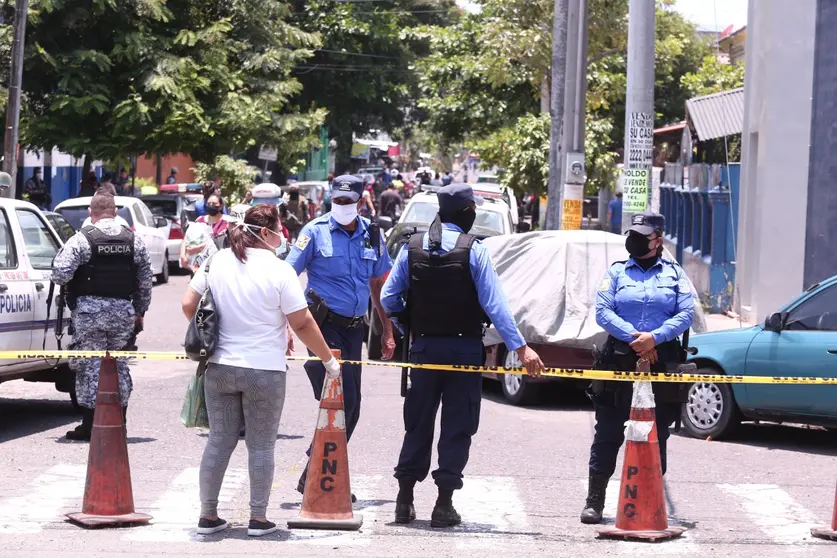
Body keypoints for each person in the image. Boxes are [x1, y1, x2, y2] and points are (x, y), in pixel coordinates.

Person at [380, 184, 545, 528]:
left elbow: (389, 298)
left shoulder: (412, 247)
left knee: (417, 425)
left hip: (423, 350)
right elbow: (495, 306)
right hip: (463, 352)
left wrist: (406, 323)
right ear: (466, 211)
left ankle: (404, 500)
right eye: (473, 207)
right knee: (457, 427)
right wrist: (521, 347)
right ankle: (443, 505)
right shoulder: (475, 251)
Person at [182, 204, 342, 537]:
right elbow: (301, 321)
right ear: (266, 232)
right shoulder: (280, 270)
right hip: (264, 371)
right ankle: (257, 519)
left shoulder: (217, 260)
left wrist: (212, 333)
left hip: (220, 367)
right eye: (279, 230)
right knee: (262, 446)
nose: (282, 237)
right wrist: (328, 359)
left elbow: (188, 304)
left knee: (218, 442)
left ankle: (208, 516)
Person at [581, 212, 694, 525]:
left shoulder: (675, 274)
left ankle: (650, 499)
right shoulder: (616, 272)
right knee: (607, 433)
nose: (635, 239)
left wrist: (655, 338)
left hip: (661, 365)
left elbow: (686, 314)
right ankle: (595, 500)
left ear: (658, 239)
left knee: (657, 435)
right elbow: (603, 312)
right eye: (633, 233)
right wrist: (637, 339)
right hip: (619, 362)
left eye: (643, 235)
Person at [286, 175, 395, 500]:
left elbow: (378, 284)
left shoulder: (372, 234)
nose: (343, 207)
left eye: (349, 202)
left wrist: (386, 330)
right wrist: (286, 325)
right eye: (338, 202)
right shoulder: (314, 231)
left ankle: (314, 472)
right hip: (323, 326)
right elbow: (286, 276)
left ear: (361, 201)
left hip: (354, 329)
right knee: (341, 402)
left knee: (352, 405)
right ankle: (317, 474)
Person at [51, 190, 153, 441]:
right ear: (116, 211)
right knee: (118, 365)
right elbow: (145, 282)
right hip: (122, 313)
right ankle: (121, 423)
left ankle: (88, 425)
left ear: (90, 213)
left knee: (89, 366)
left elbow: (60, 274)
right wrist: (139, 312)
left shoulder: (82, 239)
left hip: (89, 315)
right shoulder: (134, 240)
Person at [180, 193, 229, 270]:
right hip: (198, 265)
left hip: (218, 265)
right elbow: (186, 238)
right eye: (209, 203)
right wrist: (182, 256)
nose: (211, 205)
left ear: (221, 206)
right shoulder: (200, 220)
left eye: (214, 204)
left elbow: (217, 241)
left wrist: (197, 248)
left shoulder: (227, 222)